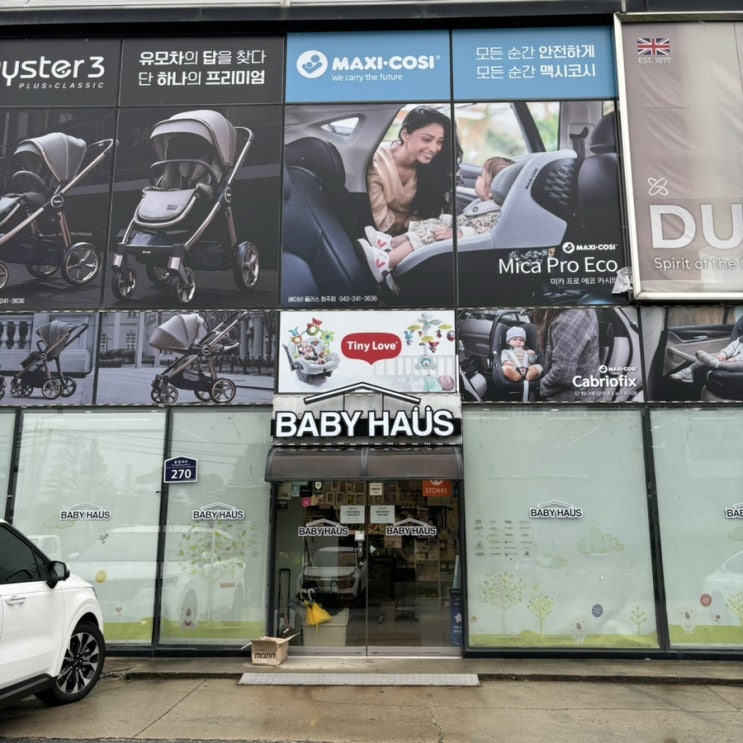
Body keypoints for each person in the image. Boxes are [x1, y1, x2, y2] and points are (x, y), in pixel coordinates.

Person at [359, 155, 513, 283]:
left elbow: (479, 234)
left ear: (493, 190)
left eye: (481, 176)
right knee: (431, 223)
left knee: (431, 233)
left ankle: (385, 262)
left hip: (461, 245)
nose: (477, 178)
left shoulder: (494, 214)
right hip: (455, 234)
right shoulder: (483, 203)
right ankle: (390, 244)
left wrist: (453, 234)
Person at [365, 106, 461, 239]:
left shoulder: (434, 168)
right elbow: (379, 219)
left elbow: (424, 214)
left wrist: (411, 237)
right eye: (426, 139)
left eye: (440, 142)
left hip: (414, 238)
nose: (434, 148)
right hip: (378, 236)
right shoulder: (376, 161)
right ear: (405, 135)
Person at [531, 308, 601, 402]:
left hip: (569, 399)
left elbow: (562, 373)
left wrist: (539, 388)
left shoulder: (566, 321)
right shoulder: (587, 309)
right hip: (588, 392)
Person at [670, 336, 743, 383]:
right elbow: (731, 347)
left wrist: (736, 359)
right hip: (731, 359)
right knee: (714, 356)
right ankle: (688, 371)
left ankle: (716, 364)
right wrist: (723, 354)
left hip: (739, 363)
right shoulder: (740, 339)